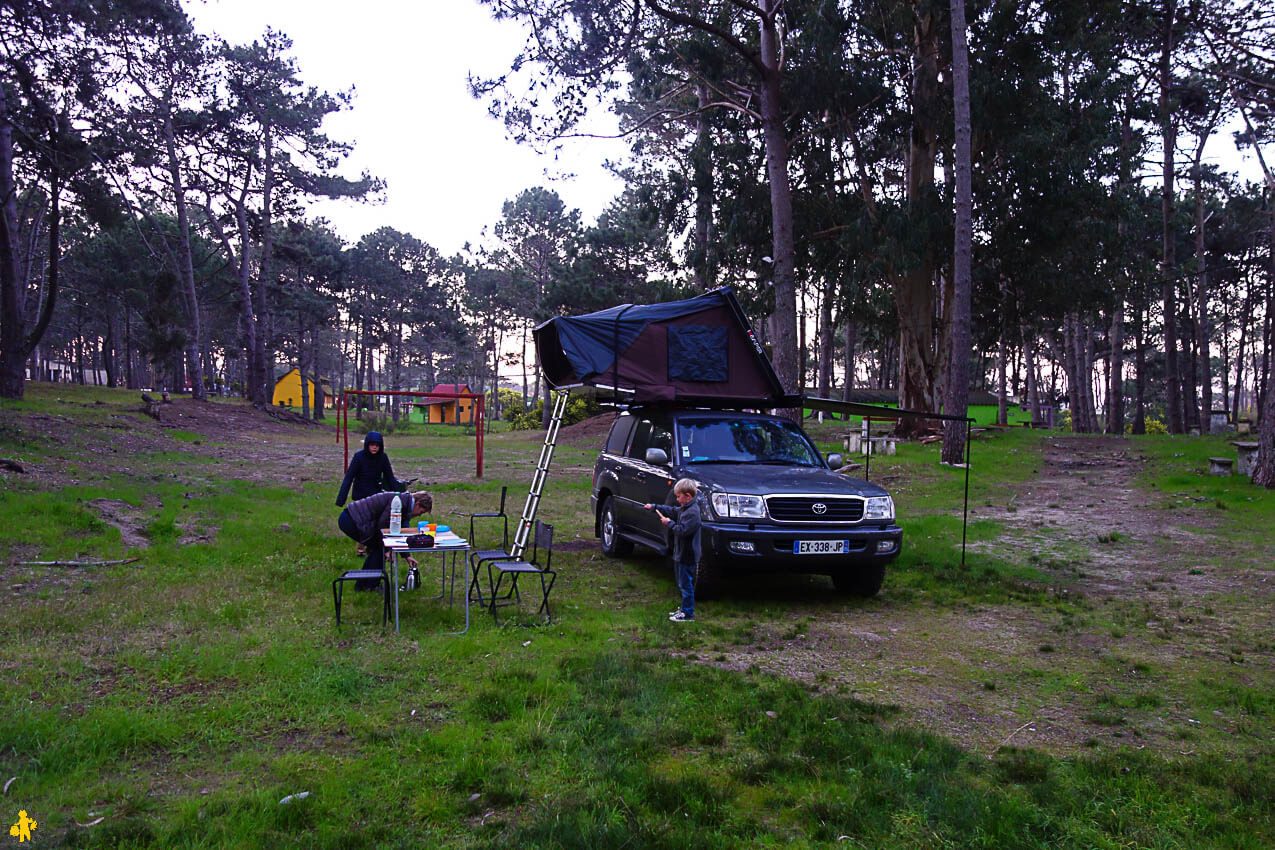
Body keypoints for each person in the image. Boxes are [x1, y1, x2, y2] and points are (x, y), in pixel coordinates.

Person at [338, 490, 434, 590]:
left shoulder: (405, 504)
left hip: (352, 518)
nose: (419, 515)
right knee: (380, 550)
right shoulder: (399, 503)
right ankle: (371, 586)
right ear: (417, 504)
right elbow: (383, 526)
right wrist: (387, 550)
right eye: (421, 512)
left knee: (377, 549)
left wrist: (407, 556)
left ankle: (363, 585)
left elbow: (403, 533)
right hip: (351, 520)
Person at [645, 478, 702, 622]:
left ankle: (688, 614)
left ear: (687, 496)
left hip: (687, 555)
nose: (677, 499)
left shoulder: (692, 513)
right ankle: (684, 609)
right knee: (681, 583)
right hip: (680, 553)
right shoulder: (685, 509)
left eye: (678, 496)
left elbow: (683, 531)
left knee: (686, 584)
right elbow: (672, 510)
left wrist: (668, 523)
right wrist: (654, 507)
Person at [336, 431, 405, 507]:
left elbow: (390, 477)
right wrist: (341, 500)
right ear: (367, 445)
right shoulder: (359, 457)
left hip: (376, 495)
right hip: (360, 496)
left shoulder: (383, 457)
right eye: (372, 445)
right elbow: (349, 478)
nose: (374, 447)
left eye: (377, 445)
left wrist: (398, 496)